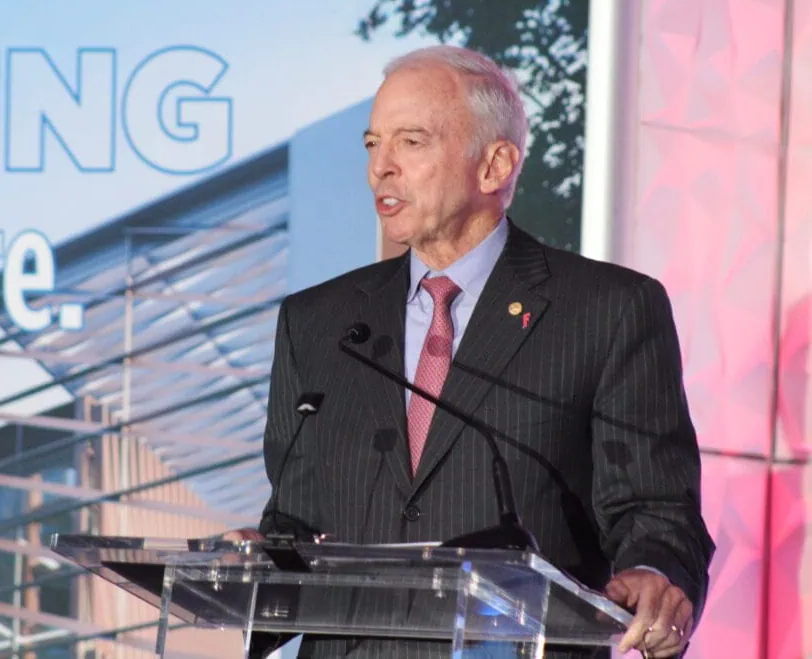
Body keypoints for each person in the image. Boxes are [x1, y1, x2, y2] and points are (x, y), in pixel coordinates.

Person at [234, 45, 714, 658]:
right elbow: (294, 523)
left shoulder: (609, 309)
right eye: (372, 143)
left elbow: (655, 507)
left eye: (411, 142)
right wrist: (254, 558)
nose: (380, 167)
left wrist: (655, 573)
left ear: (494, 166)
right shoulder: (318, 323)